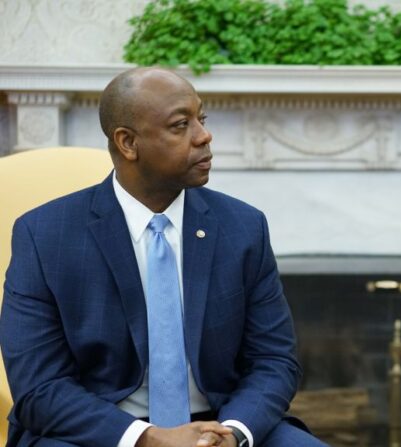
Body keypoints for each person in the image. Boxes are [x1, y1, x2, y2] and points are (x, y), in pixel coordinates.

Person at [0, 67, 327, 447]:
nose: (204, 136)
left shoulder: (243, 227)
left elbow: (274, 362)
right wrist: (148, 439)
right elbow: (40, 387)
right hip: (98, 432)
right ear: (128, 143)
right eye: (180, 125)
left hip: (220, 425)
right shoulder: (45, 236)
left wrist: (234, 433)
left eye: (201, 119)